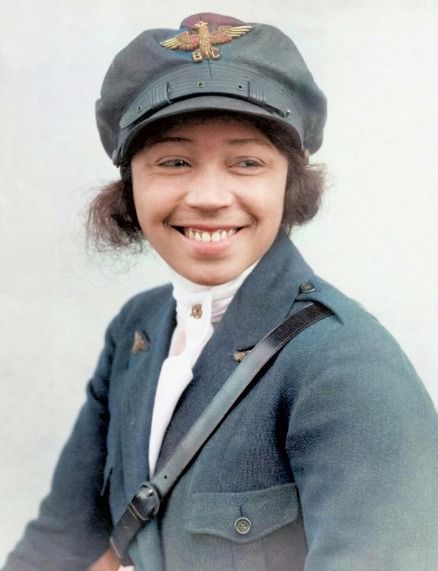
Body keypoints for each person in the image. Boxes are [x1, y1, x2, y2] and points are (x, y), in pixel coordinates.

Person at [3, 12, 437, 571]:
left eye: (247, 162)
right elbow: (59, 542)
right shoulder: (136, 332)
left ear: (289, 183)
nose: (209, 196)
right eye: (174, 162)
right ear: (131, 187)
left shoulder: (345, 367)